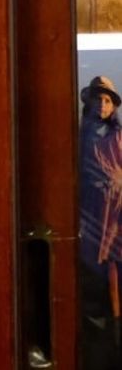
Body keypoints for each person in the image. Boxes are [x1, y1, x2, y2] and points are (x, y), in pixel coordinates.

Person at [79, 74, 122, 363]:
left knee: (115, 278)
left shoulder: (119, 137)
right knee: (92, 280)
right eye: (98, 98)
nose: (102, 104)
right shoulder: (81, 137)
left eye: (108, 100)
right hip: (91, 215)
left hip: (117, 218)